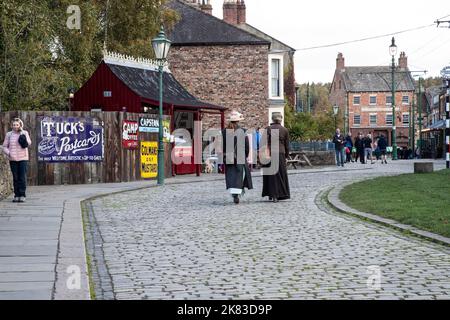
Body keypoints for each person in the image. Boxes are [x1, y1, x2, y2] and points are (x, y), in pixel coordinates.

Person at [221, 110, 253, 204]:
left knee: (231, 175)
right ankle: (237, 193)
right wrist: (246, 155)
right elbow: (247, 146)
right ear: (238, 121)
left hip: (229, 157)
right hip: (240, 157)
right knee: (239, 176)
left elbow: (222, 145)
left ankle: (234, 195)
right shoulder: (243, 131)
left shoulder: (224, 132)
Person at [1, 118, 32, 203]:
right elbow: (4, 146)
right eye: (14, 125)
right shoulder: (9, 134)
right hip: (13, 159)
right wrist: (9, 153)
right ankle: (16, 195)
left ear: (20, 125)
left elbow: (29, 143)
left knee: (22, 177)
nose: (15, 126)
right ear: (12, 125)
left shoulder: (24, 133)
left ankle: (22, 195)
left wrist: (22, 134)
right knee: (15, 177)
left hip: (23, 158)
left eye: (17, 125)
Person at [262, 112, 290, 203]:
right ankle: (280, 194)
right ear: (280, 119)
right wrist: (286, 156)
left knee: (271, 175)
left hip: (270, 153)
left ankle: (272, 194)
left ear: (272, 119)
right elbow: (287, 145)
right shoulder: (284, 130)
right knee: (280, 174)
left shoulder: (268, 129)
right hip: (280, 153)